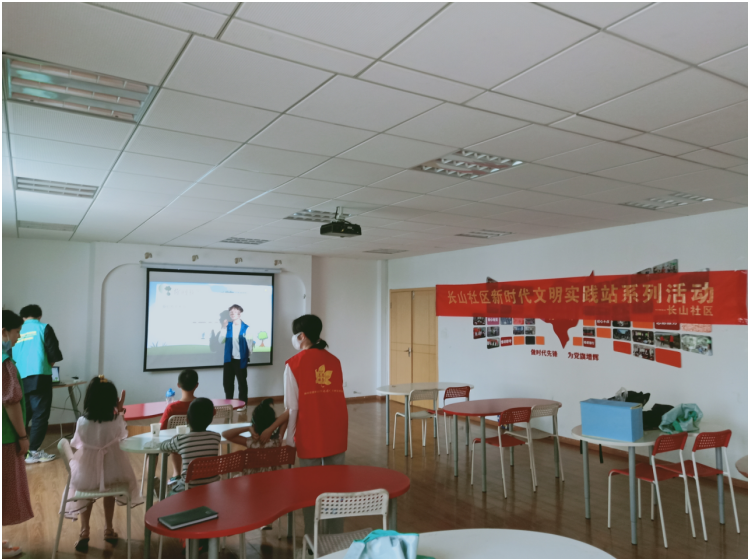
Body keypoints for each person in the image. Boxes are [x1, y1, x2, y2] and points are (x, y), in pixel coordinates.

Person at [258, 314, 348, 540]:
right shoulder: (335, 360)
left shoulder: (294, 364)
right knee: (336, 488)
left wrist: (288, 438)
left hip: (311, 432)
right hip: (337, 431)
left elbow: (293, 407)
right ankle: (336, 539)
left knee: (311, 489)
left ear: (302, 336)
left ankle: (312, 540)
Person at [66, 376, 144, 553]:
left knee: (86, 494)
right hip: (114, 469)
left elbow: (77, 443)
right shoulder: (116, 420)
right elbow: (123, 435)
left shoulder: (82, 422)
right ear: (112, 401)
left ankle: (84, 532)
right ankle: (108, 529)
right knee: (110, 490)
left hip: (87, 473)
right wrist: (120, 411)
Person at [12, 304, 63, 464]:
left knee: (23, 414)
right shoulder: (44, 328)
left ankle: (18, 451)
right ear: (39, 316)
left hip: (18, 377)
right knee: (40, 415)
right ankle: (33, 452)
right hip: (39, 377)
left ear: (23, 317)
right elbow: (53, 354)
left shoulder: (16, 330)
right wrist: (46, 366)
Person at [2, 310, 33, 558]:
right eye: (16, 332)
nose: (18, 336)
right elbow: (11, 404)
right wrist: (23, 436)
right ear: (3, 333)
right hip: (5, 439)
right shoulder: (5, 364)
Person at [159, 398, 221, 494]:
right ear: (211, 419)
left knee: (169, 495)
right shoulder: (216, 437)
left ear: (187, 419)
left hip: (188, 488)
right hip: (211, 487)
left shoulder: (180, 440)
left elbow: (163, 446)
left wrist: (175, 438)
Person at [225, 398, 288, 471]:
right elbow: (286, 416)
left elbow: (226, 434)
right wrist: (271, 425)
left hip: (253, 477)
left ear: (254, 423)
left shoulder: (252, 442)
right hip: (273, 476)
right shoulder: (277, 441)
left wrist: (248, 428)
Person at [159, 369, 199, 483]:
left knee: (176, 438)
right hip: (197, 440)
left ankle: (176, 474)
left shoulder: (171, 408)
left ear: (178, 385)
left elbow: (161, 428)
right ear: (196, 385)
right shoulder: (201, 404)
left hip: (177, 443)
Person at [219, 304, 253, 404]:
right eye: (231, 312)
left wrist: (245, 357)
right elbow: (221, 341)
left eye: (235, 311)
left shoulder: (246, 328)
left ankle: (243, 404)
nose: (232, 314)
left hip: (240, 360)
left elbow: (250, 346)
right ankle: (228, 403)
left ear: (240, 313)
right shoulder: (228, 326)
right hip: (229, 360)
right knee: (227, 383)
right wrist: (223, 328)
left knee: (242, 383)